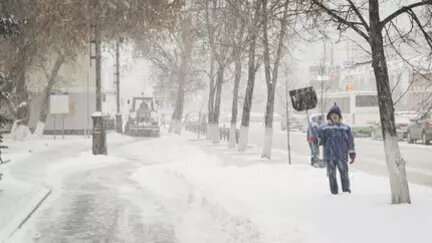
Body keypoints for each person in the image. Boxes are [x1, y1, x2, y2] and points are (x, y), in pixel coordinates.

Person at [318, 104, 356, 194]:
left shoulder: (345, 128)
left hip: (341, 156)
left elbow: (350, 141)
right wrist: (319, 137)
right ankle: (334, 192)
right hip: (329, 156)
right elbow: (320, 141)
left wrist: (352, 153)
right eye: (332, 114)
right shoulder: (324, 128)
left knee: (344, 174)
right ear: (329, 116)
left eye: (336, 114)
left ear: (339, 116)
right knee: (332, 175)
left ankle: (346, 191)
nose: (334, 116)